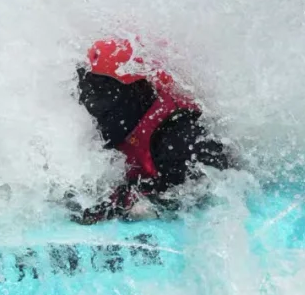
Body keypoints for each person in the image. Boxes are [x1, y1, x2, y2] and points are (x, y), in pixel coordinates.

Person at [74, 37, 231, 222]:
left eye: (102, 87)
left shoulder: (178, 136)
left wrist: (128, 200)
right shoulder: (108, 116)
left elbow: (208, 187)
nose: (88, 102)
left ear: (140, 91)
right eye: (87, 85)